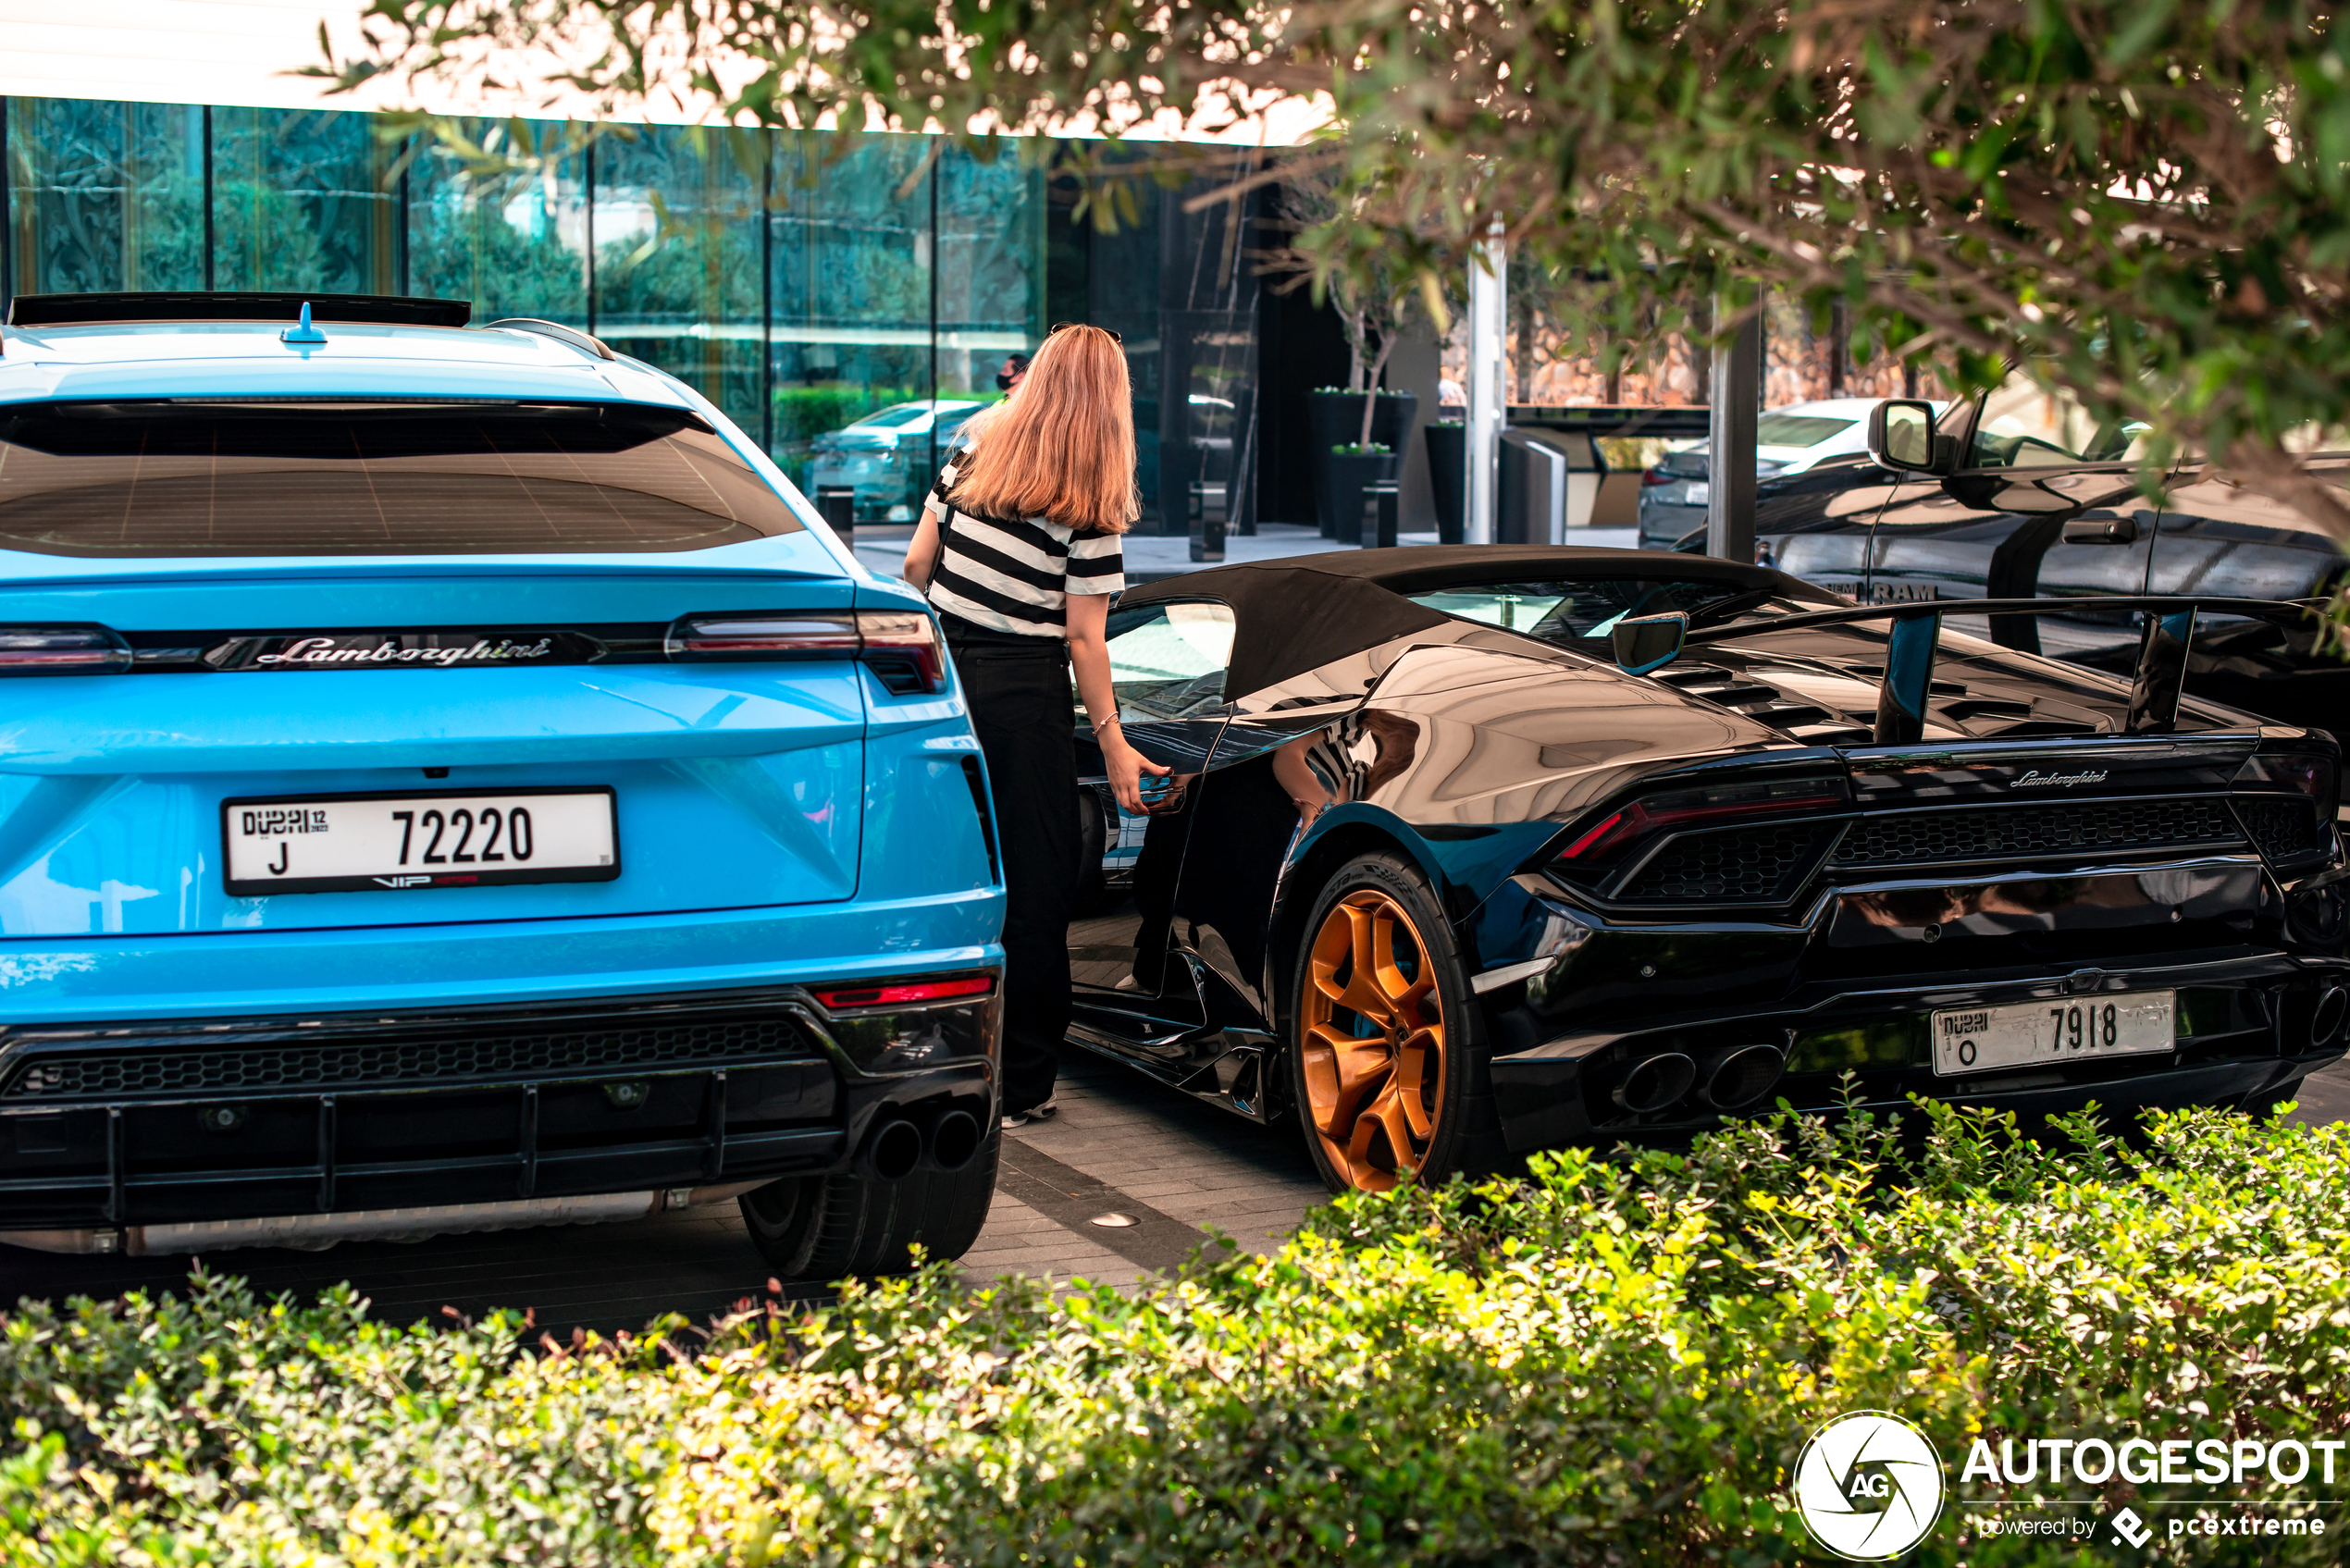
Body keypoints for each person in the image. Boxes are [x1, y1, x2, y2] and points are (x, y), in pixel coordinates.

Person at [903, 324, 1169, 1129]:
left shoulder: (974, 446)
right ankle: (1020, 1088)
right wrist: (1116, 746)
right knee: (1035, 885)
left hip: (941, 680)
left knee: (938, 867)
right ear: (1111, 401)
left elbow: (915, 568)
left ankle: (921, 1057)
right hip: (1025, 698)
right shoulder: (1091, 499)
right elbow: (1085, 638)